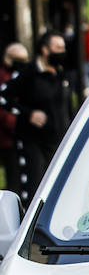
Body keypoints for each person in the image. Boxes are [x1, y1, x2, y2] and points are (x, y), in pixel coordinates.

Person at [0, 32, 73, 206]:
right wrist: (28, 113)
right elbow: (4, 97)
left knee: (59, 189)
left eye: (63, 48)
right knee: (34, 188)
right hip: (33, 141)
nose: (62, 51)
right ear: (45, 49)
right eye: (58, 48)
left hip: (58, 141)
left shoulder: (61, 74)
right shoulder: (29, 73)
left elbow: (67, 107)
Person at [0, 43, 28, 192]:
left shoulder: (21, 75)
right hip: (9, 137)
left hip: (19, 136)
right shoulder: (3, 78)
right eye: (19, 59)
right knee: (14, 179)